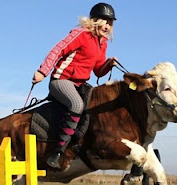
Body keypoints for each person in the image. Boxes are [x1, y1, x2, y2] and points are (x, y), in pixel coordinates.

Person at [32, 3, 118, 169]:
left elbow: (98, 71)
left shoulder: (103, 43)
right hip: (61, 80)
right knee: (77, 105)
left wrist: (108, 64)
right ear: (95, 21)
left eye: (110, 23)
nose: (107, 26)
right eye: (104, 21)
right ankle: (57, 152)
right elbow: (58, 50)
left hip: (80, 84)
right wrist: (42, 71)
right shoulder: (81, 34)